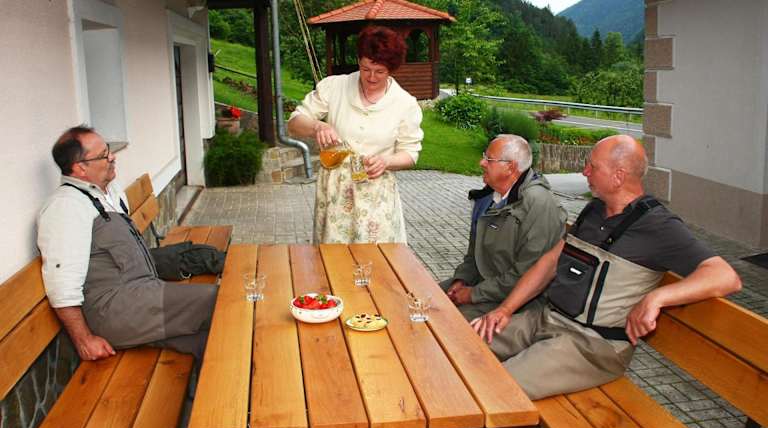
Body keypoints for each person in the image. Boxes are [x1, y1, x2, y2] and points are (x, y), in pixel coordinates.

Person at [470, 135, 742, 400]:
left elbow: (725, 276)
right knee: (464, 346)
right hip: (545, 320)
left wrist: (657, 297)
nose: (584, 171)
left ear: (618, 176)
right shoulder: (595, 209)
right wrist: (505, 309)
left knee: (494, 389)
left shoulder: (659, 226)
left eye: (592, 166)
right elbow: (551, 261)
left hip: (591, 345)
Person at [37, 126, 217, 362]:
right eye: (103, 155)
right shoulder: (65, 207)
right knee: (219, 300)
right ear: (80, 168)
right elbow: (61, 284)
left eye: (109, 150)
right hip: (115, 311)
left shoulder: (108, 192)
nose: (112, 157)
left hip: (142, 297)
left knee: (208, 340)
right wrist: (84, 340)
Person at [287, 26, 423, 244]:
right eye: (365, 68)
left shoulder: (405, 104)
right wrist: (317, 127)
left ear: (391, 69)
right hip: (335, 193)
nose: (371, 77)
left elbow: (410, 153)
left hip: (376, 195)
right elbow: (294, 123)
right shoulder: (335, 87)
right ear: (358, 60)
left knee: (378, 258)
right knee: (332, 259)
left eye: (380, 71)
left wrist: (386, 161)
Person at [440, 135, 566, 321]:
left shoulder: (538, 205)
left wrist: (473, 294)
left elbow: (526, 275)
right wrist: (462, 279)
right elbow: (474, 254)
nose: (481, 162)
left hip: (514, 302)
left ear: (510, 167)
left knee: (444, 321)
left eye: (489, 159)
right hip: (483, 285)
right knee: (418, 297)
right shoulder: (489, 198)